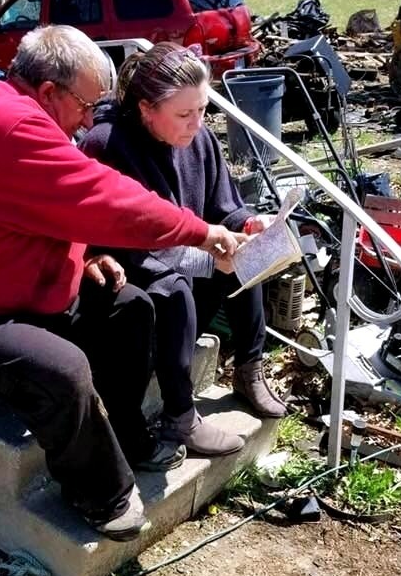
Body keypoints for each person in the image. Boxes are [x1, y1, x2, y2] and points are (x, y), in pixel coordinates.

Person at [0, 26, 244, 542]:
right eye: (88, 105)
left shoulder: (29, 112)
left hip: (26, 285)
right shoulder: (10, 126)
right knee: (64, 370)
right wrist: (201, 233)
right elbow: (105, 197)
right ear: (49, 92)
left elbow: (51, 208)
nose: (91, 119)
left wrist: (89, 253)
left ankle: (130, 436)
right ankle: (98, 493)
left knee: (132, 308)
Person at [79, 42, 286, 457]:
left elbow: (222, 208)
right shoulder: (107, 145)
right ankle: (181, 416)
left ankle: (249, 368)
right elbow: (122, 242)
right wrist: (209, 257)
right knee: (173, 289)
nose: (196, 124)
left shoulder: (201, 139)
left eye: (203, 110)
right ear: (145, 109)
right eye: (184, 114)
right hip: (127, 273)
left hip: (190, 258)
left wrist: (248, 225)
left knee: (251, 257)